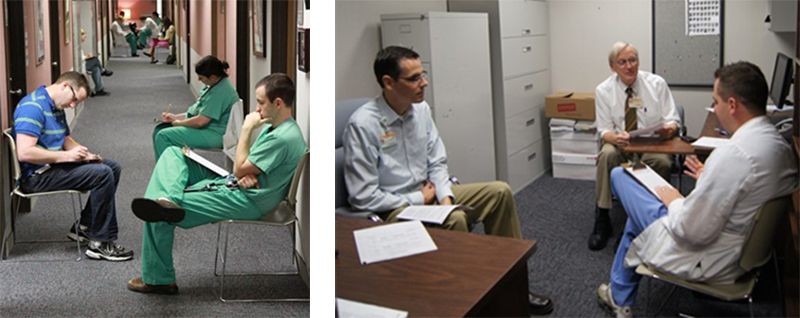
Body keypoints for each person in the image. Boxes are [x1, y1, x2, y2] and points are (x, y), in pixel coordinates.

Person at [342, 46, 554, 315]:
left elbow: (437, 162)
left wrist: (445, 199)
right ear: (388, 82)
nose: (425, 82)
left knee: (499, 191)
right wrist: (422, 199)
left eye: (424, 74)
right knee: (456, 220)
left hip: (430, 194)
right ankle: (468, 298)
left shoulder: (421, 110)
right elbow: (363, 197)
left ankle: (513, 286)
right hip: (394, 207)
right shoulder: (363, 125)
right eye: (415, 78)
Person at [596, 61, 798, 318]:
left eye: (716, 102)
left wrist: (675, 200)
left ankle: (619, 296)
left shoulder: (734, 156)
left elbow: (689, 230)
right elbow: (741, 189)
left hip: (711, 256)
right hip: (745, 251)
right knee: (639, 205)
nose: (714, 109)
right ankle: (619, 294)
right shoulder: (778, 146)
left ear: (733, 105)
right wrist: (707, 178)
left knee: (621, 177)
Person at [126, 73, 307, 294]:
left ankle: (159, 280)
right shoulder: (276, 127)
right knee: (173, 153)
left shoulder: (282, 137)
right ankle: (167, 198)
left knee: (156, 212)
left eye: (260, 102)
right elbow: (246, 166)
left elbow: (241, 166)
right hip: (239, 184)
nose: (256, 109)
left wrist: (246, 131)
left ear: (278, 103)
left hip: (247, 200)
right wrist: (245, 172)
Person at [12, 71, 133, 261]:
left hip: (52, 167)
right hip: (36, 176)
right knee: (102, 174)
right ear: (65, 86)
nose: (72, 105)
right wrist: (66, 156)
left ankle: (84, 226)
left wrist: (85, 155)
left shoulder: (53, 104)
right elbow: (25, 152)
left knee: (112, 167)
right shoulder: (33, 107)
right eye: (74, 100)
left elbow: (65, 139)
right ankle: (100, 242)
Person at [589, 41, 681, 251]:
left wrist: (669, 129)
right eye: (622, 62)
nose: (629, 66)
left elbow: (673, 120)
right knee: (607, 155)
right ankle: (602, 218)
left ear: (638, 62)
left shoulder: (656, 84)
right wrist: (614, 138)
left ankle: (644, 220)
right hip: (621, 144)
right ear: (613, 67)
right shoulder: (604, 90)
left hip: (652, 144)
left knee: (661, 161)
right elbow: (603, 130)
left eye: (633, 60)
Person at [152, 55, 238, 161]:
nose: (198, 79)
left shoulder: (220, 92)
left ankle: (167, 174)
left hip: (215, 134)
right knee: (159, 130)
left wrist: (179, 123)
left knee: (163, 136)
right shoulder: (213, 85)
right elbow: (197, 112)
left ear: (212, 77)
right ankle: (170, 169)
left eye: (201, 77)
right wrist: (176, 117)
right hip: (207, 128)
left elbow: (200, 121)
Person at [79, 29, 113, 97]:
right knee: (95, 59)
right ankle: (102, 71)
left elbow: (82, 57)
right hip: (81, 65)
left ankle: (99, 89)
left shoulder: (80, 46)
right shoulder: (77, 47)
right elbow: (79, 59)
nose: (85, 39)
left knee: (96, 69)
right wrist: (86, 57)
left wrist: (86, 56)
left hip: (84, 62)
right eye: (84, 37)